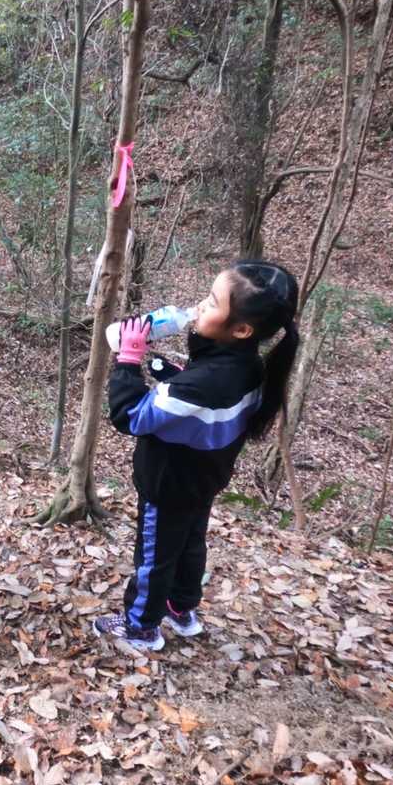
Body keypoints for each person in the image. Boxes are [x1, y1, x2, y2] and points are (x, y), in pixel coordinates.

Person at [94, 260, 301, 650]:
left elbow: (131, 416)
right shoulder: (250, 366)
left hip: (169, 482)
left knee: (155, 554)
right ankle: (181, 608)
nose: (200, 306)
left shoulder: (205, 382)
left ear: (242, 329)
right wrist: (170, 373)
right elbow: (202, 403)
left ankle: (141, 626)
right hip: (204, 478)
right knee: (190, 545)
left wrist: (128, 361)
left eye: (213, 302)